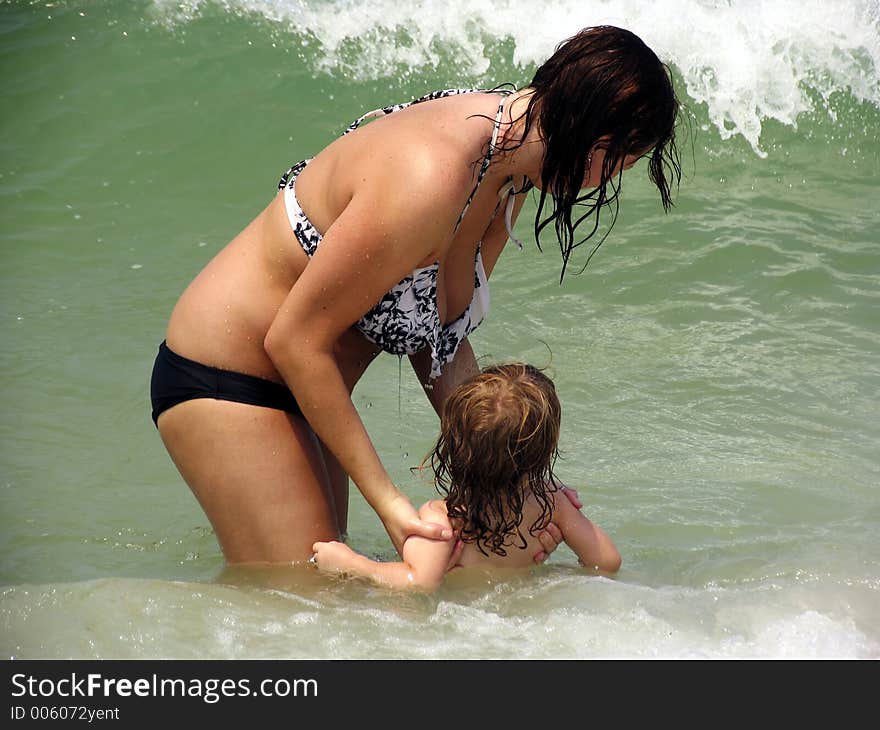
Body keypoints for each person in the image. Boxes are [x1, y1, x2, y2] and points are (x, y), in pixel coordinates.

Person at [150, 25, 680, 565]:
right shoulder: (432, 179)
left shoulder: (506, 174)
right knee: (304, 599)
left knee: (319, 607)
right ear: (594, 136)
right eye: (619, 163)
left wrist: (510, 487)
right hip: (228, 379)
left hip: (303, 393)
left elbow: (439, 341)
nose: (606, 181)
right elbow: (292, 340)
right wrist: (389, 503)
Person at [310, 363, 621, 590]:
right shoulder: (551, 504)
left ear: (453, 449)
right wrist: (555, 576)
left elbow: (417, 582)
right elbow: (607, 561)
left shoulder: (445, 519)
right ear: (542, 454)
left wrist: (356, 566)